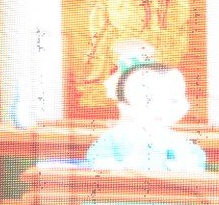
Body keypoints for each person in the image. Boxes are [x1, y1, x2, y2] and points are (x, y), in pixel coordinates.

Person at [84, 44, 206, 173]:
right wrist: (117, 168)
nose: (161, 108)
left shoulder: (177, 141)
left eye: (174, 100)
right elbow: (98, 160)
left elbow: (195, 161)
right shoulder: (114, 138)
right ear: (125, 107)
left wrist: (182, 165)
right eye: (148, 100)